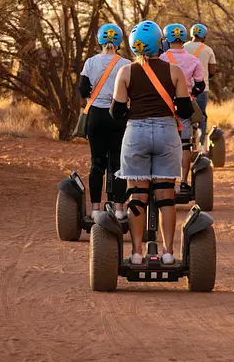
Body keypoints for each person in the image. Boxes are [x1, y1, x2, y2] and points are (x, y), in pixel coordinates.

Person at [110, 20, 194, 266]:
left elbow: (116, 112)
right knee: (166, 196)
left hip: (136, 132)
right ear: (160, 43)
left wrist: (136, 114)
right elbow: (186, 109)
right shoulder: (174, 71)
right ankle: (168, 253)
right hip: (167, 133)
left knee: (137, 195)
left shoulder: (125, 72)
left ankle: (136, 253)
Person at [79, 24, 132, 224]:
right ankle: (119, 209)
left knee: (97, 164)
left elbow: (83, 90)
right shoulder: (125, 63)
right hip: (117, 116)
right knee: (118, 164)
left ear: (100, 41)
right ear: (118, 42)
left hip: (95, 117)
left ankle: (95, 210)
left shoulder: (90, 62)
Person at [159, 23, 206, 193]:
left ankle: (166, 183)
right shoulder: (194, 60)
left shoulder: (162, 59)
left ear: (166, 39)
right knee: (185, 145)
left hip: (165, 106)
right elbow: (200, 85)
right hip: (184, 105)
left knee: (165, 146)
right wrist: (190, 94)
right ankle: (184, 182)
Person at [184, 23, 217, 152]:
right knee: (201, 115)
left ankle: (185, 143)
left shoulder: (183, 47)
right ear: (204, 36)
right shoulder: (208, 50)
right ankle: (202, 145)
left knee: (185, 115)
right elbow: (212, 70)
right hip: (202, 89)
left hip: (184, 88)